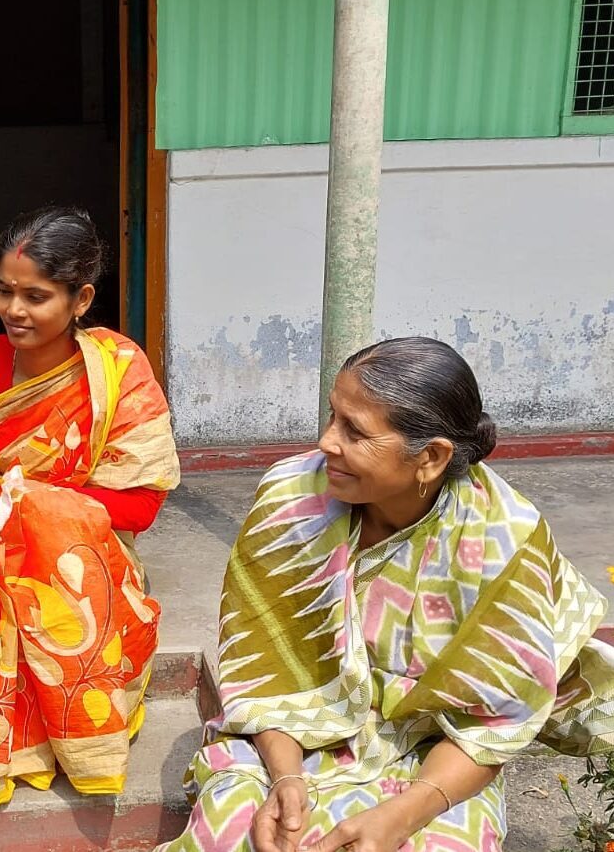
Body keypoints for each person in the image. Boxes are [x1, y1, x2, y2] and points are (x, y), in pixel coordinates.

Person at [158, 337, 614, 852]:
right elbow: (265, 680)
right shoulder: (290, 501)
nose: (328, 442)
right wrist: (287, 783)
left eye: (355, 430)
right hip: (285, 737)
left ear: (432, 456)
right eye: (332, 416)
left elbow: (489, 727)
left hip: (433, 751)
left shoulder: (502, 540)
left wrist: (399, 817)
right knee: (238, 833)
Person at [0, 206, 181, 825]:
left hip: (77, 557)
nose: (14, 309)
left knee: (44, 578)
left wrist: (15, 502)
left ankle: (62, 732)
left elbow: (139, 504)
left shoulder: (117, 371)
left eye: (35, 296)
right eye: (3, 290)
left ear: (81, 299)